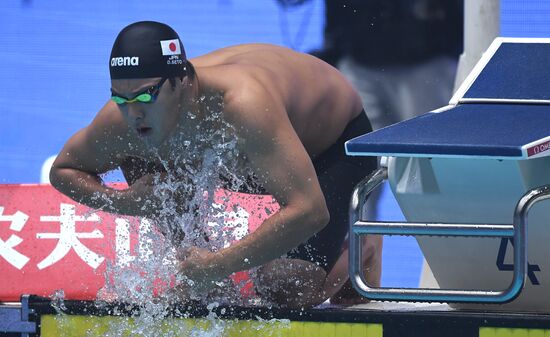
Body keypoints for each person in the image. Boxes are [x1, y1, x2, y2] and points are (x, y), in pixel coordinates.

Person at [49, 21, 379, 309]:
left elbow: (309, 210)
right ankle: (204, 280)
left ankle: (362, 246)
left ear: (180, 81)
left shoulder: (243, 105)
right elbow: (64, 170)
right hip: (255, 156)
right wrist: (126, 202)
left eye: (145, 97)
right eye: (120, 99)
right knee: (136, 152)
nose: (133, 113)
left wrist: (219, 263)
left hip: (332, 145)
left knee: (284, 285)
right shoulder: (126, 116)